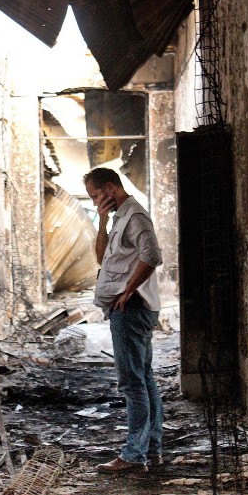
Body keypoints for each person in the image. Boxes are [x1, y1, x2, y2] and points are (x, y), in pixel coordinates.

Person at [83, 167, 163, 474]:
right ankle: (151, 449)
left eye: (96, 196)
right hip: (128, 309)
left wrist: (129, 289)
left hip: (131, 310)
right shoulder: (119, 218)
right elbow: (103, 259)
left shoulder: (136, 217)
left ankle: (133, 455)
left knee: (132, 384)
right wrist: (101, 222)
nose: (93, 203)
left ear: (110, 188)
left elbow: (152, 255)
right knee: (143, 378)